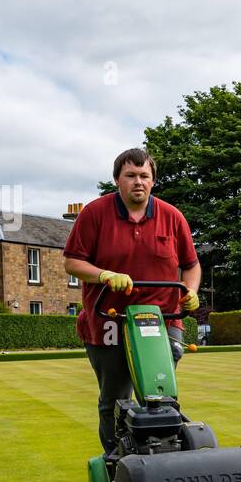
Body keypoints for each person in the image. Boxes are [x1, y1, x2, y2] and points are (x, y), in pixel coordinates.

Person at [63, 148, 202, 453]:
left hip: (163, 317)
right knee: (115, 397)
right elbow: (72, 263)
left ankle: (163, 456)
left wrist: (189, 291)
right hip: (109, 318)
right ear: (117, 180)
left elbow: (191, 265)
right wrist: (103, 275)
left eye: (144, 176)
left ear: (153, 181)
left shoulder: (172, 217)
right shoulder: (94, 214)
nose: (137, 181)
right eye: (130, 175)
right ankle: (116, 460)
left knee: (159, 393)